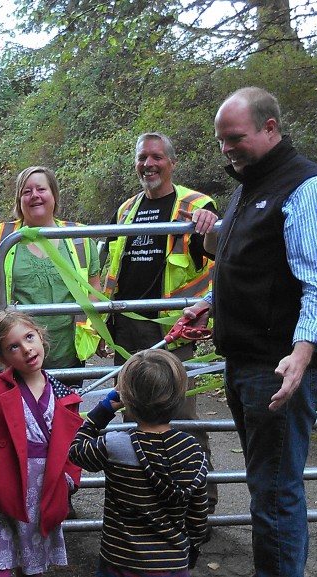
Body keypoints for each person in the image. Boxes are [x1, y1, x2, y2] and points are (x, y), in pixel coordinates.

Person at [186, 86, 317, 577]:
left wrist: (300, 355)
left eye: (234, 137)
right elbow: (249, 265)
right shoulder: (249, 186)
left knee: (274, 493)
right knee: (267, 487)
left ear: (270, 128)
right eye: (221, 140)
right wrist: (210, 303)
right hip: (247, 365)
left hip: (279, 369)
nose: (226, 148)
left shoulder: (308, 188)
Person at [101, 132, 219, 510]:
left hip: (172, 329)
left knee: (180, 416)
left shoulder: (196, 205)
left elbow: (219, 257)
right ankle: (144, 498)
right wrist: (107, 322)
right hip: (128, 327)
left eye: (155, 157)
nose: (148, 164)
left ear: (171, 162)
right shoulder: (126, 210)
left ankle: (201, 500)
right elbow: (114, 269)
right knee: (131, 413)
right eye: (141, 158)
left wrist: (213, 223)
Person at [0, 310, 83, 577]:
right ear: (2, 358)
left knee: (34, 565)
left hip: (45, 488)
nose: (26, 349)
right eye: (14, 346)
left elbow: (72, 444)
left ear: (40, 335)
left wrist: (69, 478)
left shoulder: (61, 393)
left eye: (29, 337)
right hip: (6, 489)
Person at [69, 349, 209, 576]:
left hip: (119, 563)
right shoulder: (192, 449)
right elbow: (197, 515)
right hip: (172, 564)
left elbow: (76, 450)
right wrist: (191, 552)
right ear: (179, 398)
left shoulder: (114, 446)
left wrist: (103, 410)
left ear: (127, 402)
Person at [0, 166, 101, 390]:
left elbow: (94, 289)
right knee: (22, 423)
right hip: (17, 359)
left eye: (41, 189)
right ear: (18, 199)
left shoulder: (78, 237)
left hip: (68, 357)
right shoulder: (1, 237)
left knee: (66, 421)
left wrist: (92, 333)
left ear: (54, 195)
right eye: (26, 191)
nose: (35, 196)